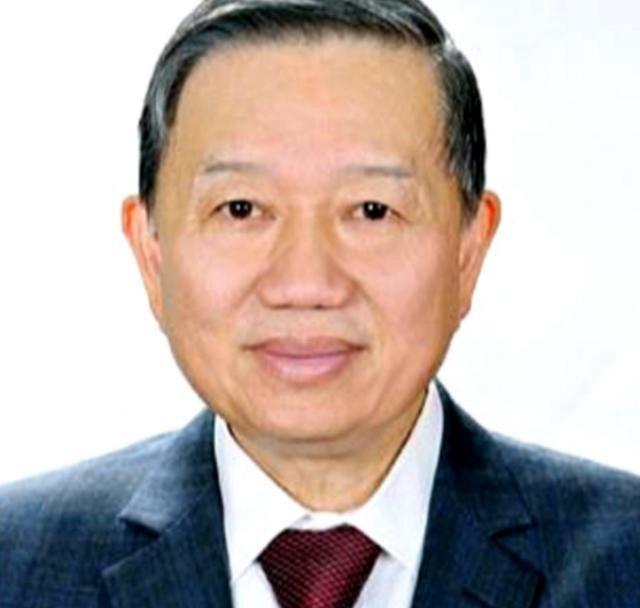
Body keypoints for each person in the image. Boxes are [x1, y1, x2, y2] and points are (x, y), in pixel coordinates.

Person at [0, 0, 638, 606]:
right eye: (241, 209)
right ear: (151, 253)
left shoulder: (625, 560)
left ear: (469, 250)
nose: (305, 284)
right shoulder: (16, 563)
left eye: (372, 210)